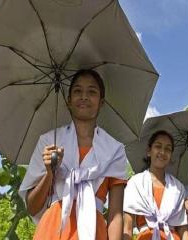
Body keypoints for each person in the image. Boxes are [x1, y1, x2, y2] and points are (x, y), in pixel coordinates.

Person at [18, 69, 127, 240]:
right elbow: (32, 207)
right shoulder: (49, 142)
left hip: (94, 232)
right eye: (77, 91)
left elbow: (115, 214)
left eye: (91, 91)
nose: (84, 96)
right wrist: (49, 173)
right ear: (69, 101)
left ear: (101, 102)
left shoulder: (114, 150)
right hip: (52, 230)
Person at [123, 130, 188, 240]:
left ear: (171, 155)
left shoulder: (178, 187)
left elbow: (183, 229)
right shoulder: (135, 183)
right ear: (149, 151)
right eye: (158, 146)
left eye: (168, 149)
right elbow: (127, 227)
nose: (162, 152)